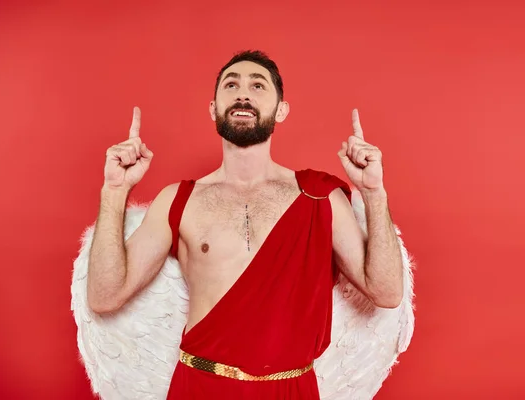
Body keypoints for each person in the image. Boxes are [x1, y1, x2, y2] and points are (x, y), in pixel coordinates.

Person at [86, 50, 405, 399]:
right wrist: (114, 191)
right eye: (231, 84)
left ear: (281, 109)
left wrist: (373, 193)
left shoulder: (320, 196)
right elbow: (105, 296)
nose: (243, 93)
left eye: (257, 85)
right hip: (201, 386)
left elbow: (386, 292)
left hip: (291, 389)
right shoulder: (179, 199)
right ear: (213, 108)